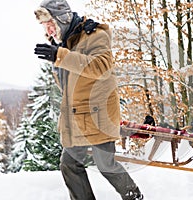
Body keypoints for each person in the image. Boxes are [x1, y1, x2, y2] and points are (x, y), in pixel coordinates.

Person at [33, 0, 143, 199]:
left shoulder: (95, 35)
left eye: (50, 23)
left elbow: (100, 67)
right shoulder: (63, 43)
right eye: (44, 26)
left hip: (99, 113)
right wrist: (58, 58)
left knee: (105, 163)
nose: (48, 30)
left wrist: (61, 56)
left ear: (62, 19)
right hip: (77, 117)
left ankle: (133, 196)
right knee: (69, 163)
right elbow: (68, 85)